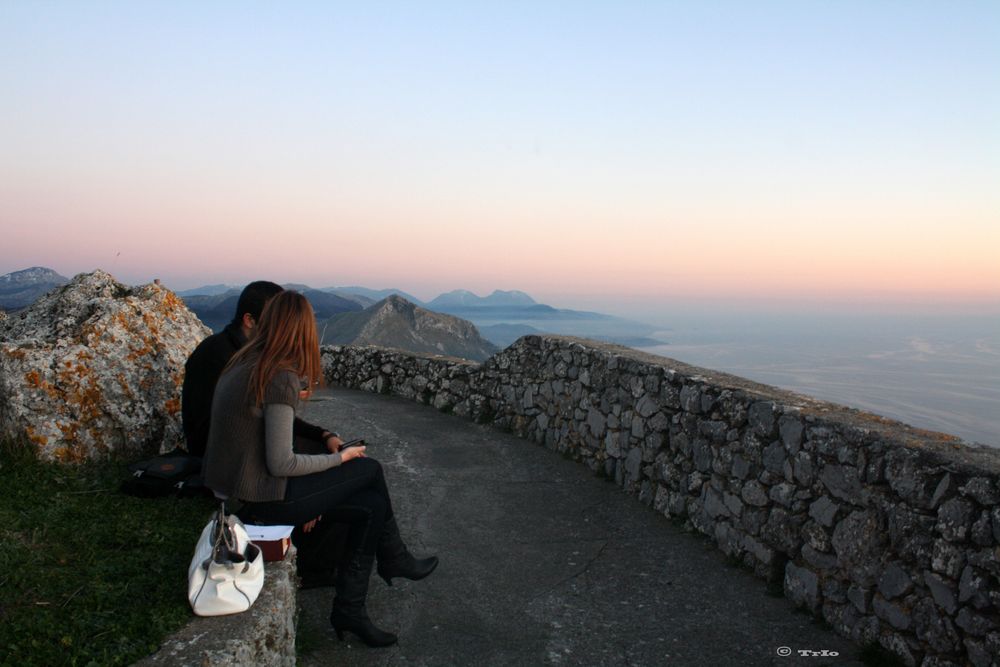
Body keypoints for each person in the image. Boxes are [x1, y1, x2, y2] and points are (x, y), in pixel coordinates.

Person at [202, 291, 437, 647]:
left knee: (371, 507)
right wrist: (339, 458)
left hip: (237, 490)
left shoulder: (245, 362)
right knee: (368, 469)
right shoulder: (278, 375)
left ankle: (351, 611)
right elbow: (281, 462)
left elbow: (278, 427)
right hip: (264, 497)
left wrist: (325, 438)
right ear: (302, 330)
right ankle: (394, 559)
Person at [181, 280, 345, 587]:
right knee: (330, 469)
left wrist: (322, 433)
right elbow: (258, 436)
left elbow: (269, 418)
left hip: (231, 455)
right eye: (273, 319)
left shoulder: (241, 354)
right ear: (250, 320)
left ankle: (321, 559)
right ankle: (316, 566)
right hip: (226, 460)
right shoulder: (230, 357)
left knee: (320, 452)